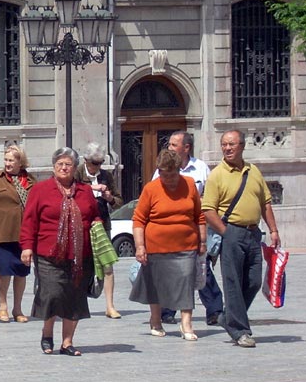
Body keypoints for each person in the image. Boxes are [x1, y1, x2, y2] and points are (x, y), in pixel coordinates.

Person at [202, 129, 281, 349]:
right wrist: (226, 233)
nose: (227, 148)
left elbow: (265, 202)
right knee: (233, 283)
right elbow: (208, 210)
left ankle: (228, 318)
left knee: (254, 281)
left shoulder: (253, 171)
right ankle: (240, 331)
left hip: (254, 233)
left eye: (231, 144)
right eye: (224, 145)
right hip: (232, 232)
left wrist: (273, 230)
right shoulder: (217, 174)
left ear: (242, 146)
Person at [20, 148, 100, 357]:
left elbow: (94, 216)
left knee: (74, 296)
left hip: (79, 255)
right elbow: (29, 221)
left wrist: (97, 229)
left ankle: (67, 342)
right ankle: (47, 334)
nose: (64, 168)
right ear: (54, 167)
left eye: (68, 164)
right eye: (60, 164)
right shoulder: (40, 190)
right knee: (52, 294)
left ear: (75, 168)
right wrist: (27, 247)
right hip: (48, 253)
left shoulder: (85, 191)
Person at [130, 149, 206, 341]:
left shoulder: (189, 185)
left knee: (186, 283)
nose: (169, 179)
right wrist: (140, 246)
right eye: (165, 175)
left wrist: (202, 241)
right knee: (157, 285)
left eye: (173, 174)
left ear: (180, 170)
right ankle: (156, 320)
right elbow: (139, 220)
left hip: (186, 245)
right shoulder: (151, 189)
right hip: (156, 246)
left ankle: (186, 323)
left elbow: (199, 216)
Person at [153, 131, 221, 326]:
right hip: (169, 229)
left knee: (201, 268)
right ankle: (167, 310)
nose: (170, 148)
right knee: (172, 269)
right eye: (170, 144)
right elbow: (152, 195)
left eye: (174, 145)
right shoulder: (160, 171)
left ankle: (215, 310)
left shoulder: (201, 169)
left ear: (186, 148)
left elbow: (210, 197)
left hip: (194, 227)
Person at [0, 144, 35, 324]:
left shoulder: (31, 181)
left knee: (21, 270)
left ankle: (18, 308)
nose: (8, 164)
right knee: (5, 266)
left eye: (12, 160)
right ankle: (3, 305)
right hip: (1, 233)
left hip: (24, 233)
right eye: (6, 160)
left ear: (21, 162)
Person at [75, 143, 124, 319]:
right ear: (86, 160)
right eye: (95, 163)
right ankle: (78, 303)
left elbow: (119, 200)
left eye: (100, 162)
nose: (98, 166)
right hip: (82, 225)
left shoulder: (106, 176)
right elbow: (70, 191)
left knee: (108, 264)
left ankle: (110, 306)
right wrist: (91, 188)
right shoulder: (77, 173)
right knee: (81, 264)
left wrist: (110, 198)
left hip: (102, 224)